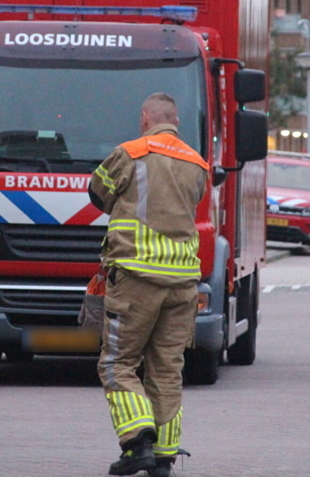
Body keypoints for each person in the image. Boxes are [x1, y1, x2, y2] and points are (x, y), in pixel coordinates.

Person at [88, 93, 209, 477]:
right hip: (183, 285)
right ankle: (163, 458)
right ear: (175, 122)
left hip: (137, 280)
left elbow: (97, 193)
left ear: (145, 118)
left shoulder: (130, 152)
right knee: (167, 370)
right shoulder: (197, 163)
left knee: (118, 363)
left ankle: (137, 441)